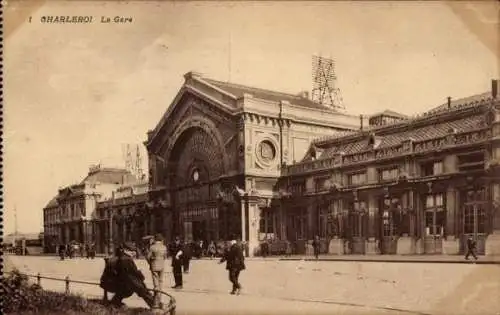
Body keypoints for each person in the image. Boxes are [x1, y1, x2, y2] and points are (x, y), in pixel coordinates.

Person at [110, 242, 155, 308]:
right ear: (125, 250)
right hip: (130, 281)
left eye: (134, 251)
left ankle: (115, 302)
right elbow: (134, 272)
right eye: (131, 251)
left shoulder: (123, 257)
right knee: (143, 290)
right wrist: (140, 275)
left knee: (137, 290)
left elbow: (130, 271)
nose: (134, 253)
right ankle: (154, 305)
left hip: (125, 280)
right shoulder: (127, 259)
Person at [147, 234, 168, 308]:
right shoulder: (164, 247)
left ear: (155, 239)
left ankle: (156, 302)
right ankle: (160, 299)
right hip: (161, 266)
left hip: (154, 265)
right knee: (160, 282)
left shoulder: (152, 247)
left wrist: (150, 263)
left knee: (156, 285)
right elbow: (165, 256)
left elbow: (148, 257)